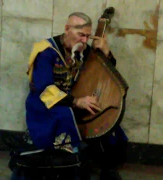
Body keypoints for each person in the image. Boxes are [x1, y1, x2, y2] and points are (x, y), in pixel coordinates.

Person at [12, 12, 128, 180]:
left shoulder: (83, 50)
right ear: (67, 29)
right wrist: (76, 102)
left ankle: (108, 168)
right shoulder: (46, 52)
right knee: (65, 115)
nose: (84, 40)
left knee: (106, 120)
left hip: (73, 101)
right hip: (46, 105)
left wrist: (107, 54)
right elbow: (44, 88)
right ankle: (71, 170)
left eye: (87, 36)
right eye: (81, 35)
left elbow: (104, 72)